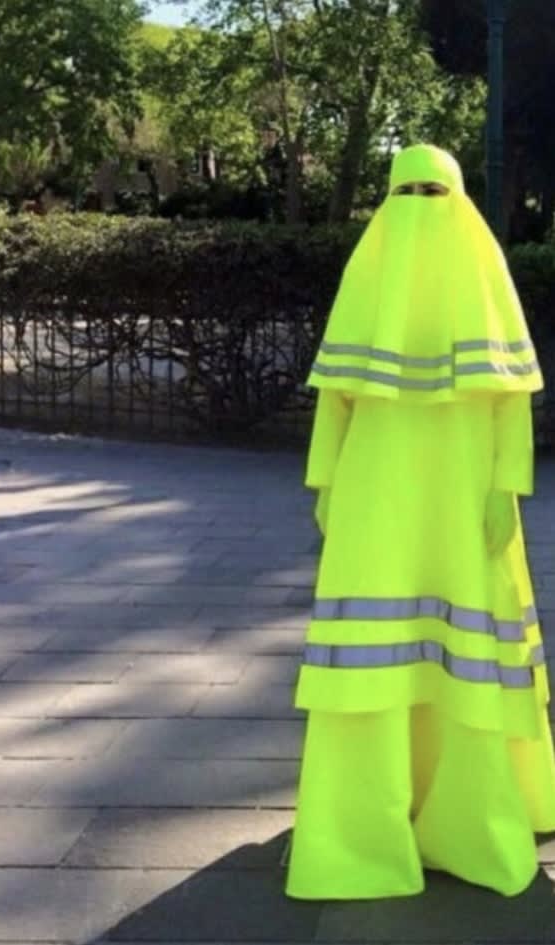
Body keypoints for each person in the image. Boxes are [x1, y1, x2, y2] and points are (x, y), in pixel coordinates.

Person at [285, 143, 555, 900]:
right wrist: (327, 480)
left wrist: (506, 485)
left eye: (433, 193)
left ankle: (466, 821)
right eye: (406, 193)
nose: (419, 209)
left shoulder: (481, 275)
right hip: (376, 501)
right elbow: (335, 397)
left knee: (463, 653)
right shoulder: (371, 273)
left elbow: (511, 397)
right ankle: (362, 832)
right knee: (376, 661)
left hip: (463, 498)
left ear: (459, 199)